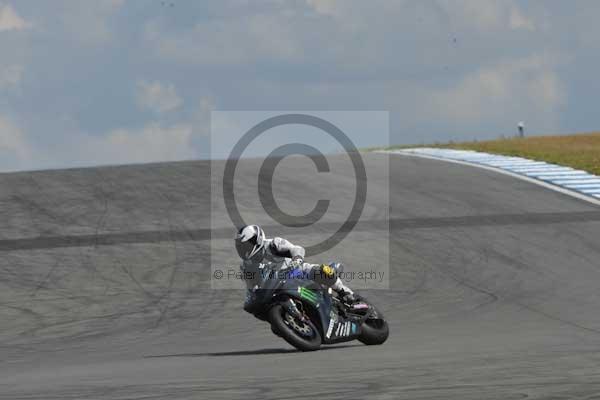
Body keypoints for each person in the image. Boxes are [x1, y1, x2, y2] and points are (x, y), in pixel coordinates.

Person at [234, 224, 355, 314]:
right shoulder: (246, 265)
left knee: (323, 271)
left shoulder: (273, 244)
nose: (245, 249)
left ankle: (345, 293)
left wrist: (296, 259)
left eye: (247, 245)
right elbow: (250, 286)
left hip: (296, 271)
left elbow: (296, 249)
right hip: (276, 287)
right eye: (242, 247)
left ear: (257, 239)